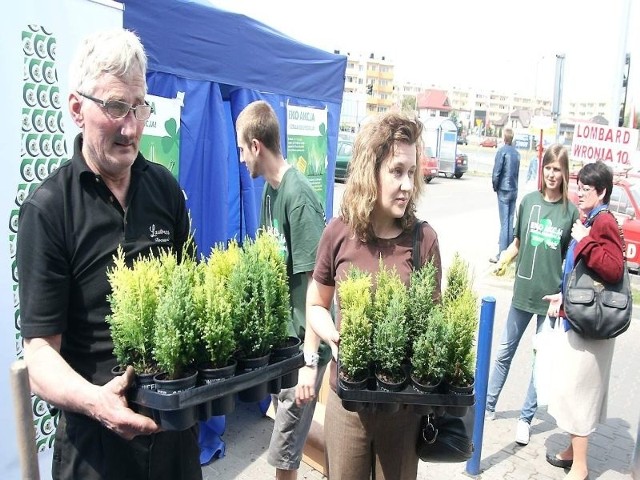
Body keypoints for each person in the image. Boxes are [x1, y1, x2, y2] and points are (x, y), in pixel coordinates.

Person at [17, 30, 201, 479]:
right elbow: (40, 356)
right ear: (77, 108)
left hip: (173, 442)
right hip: (95, 453)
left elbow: (193, 296)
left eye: (139, 105)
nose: (132, 126)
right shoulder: (49, 210)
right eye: (116, 106)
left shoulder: (165, 190)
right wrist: (97, 403)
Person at [296, 111, 442, 480]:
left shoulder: (423, 241)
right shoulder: (339, 233)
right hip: (348, 403)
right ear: (369, 170)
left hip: (403, 410)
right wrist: (329, 335)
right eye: (396, 171)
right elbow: (316, 302)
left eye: (412, 172)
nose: (407, 184)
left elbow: (434, 327)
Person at [235, 100, 329, 480]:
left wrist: (309, 363)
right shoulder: (269, 193)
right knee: (287, 444)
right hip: (284, 342)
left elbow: (318, 287)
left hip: (305, 347)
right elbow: (269, 266)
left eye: (242, 149)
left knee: (284, 451)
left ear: (257, 146)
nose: (241, 159)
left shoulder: (298, 196)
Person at [487, 144, 579, 446]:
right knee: (503, 353)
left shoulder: (570, 213)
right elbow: (517, 242)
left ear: (565, 174)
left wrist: (564, 295)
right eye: (548, 168)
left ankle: (525, 419)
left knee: (541, 364)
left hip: (549, 302)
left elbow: (571, 261)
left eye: (558, 169)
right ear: (543, 170)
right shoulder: (527, 202)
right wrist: (504, 258)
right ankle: (487, 406)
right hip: (522, 294)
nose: (552, 174)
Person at [543, 161, 623, 480]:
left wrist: (586, 240)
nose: (579, 192)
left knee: (580, 394)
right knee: (569, 389)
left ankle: (581, 466)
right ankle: (570, 452)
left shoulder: (603, 222)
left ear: (601, 192)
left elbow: (614, 269)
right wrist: (564, 296)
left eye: (586, 188)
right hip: (579, 317)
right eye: (578, 186)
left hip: (593, 326)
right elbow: (585, 275)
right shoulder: (588, 218)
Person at [490, 127, 521, 263]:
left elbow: (497, 171)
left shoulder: (502, 151)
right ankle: (509, 252)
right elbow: (517, 173)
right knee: (509, 221)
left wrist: (495, 185)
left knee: (504, 223)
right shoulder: (516, 153)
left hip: (503, 188)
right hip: (513, 188)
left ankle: (501, 254)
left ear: (504, 138)